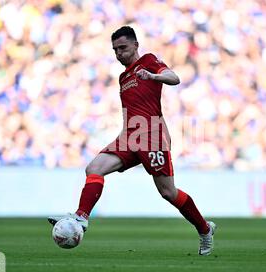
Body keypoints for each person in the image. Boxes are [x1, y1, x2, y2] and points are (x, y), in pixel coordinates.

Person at [49, 26, 216, 255]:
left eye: (123, 48)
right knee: (94, 168)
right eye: (115, 50)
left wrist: (154, 76)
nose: (119, 54)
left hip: (152, 136)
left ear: (136, 45)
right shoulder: (123, 77)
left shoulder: (148, 61)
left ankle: (205, 229)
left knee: (168, 192)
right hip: (129, 136)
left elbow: (174, 78)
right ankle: (82, 218)